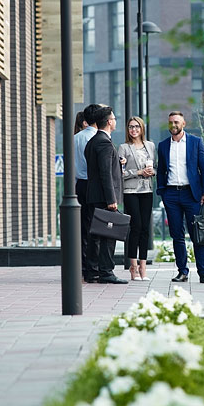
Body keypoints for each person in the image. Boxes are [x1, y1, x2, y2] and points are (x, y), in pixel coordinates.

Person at [156, 110, 204, 284]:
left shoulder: (196, 142)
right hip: (171, 194)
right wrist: (162, 192)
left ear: (183, 124)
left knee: (197, 234)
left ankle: (203, 272)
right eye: (171, 122)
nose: (173, 125)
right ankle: (183, 272)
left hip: (191, 194)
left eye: (177, 122)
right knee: (177, 235)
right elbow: (161, 171)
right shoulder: (163, 145)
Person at [84, 105, 126, 284]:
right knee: (108, 235)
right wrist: (112, 200)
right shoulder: (103, 142)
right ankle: (106, 272)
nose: (116, 121)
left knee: (95, 236)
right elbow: (105, 173)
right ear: (109, 122)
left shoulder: (93, 141)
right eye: (114, 118)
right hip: (104, 197)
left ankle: (93, 271)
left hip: (95, 195)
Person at [119, 117, 157, 281]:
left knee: (145, 229)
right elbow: (120, 173)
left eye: (136, 127)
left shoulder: (150, 145)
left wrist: (151, 172)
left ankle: (143, 267)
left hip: (146, 190)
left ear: (142, 128)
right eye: (130, 127)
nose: (133, 130)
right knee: (136, 226)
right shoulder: (123, 148)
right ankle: (132, 266)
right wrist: (138, 172)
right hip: (130, 191)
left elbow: (154, 167)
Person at [73, 105, 102, 283]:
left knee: (83, 228)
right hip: (93, 184)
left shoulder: (75, 137)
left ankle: (84, 266)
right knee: (96, 227)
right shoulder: (96, 138)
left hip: (79, 185)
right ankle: (94, 267)